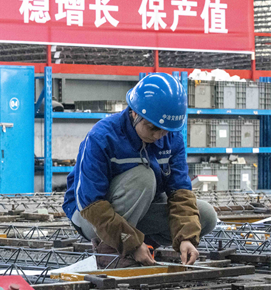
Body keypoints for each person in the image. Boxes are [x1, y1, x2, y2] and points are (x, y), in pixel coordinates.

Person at [62, 73, 217, 268]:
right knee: (143, 177)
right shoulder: (102, 137)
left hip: (137, 210)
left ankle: (143, 246)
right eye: (153, 128)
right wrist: (130, 244)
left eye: (165, 130)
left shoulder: (172, 139)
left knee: (206, 216)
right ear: (135, 113)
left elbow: (180, 193)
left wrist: (186, 238)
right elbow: (90, 202)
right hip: (89, 215)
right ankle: (110, 253)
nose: (159, 136)